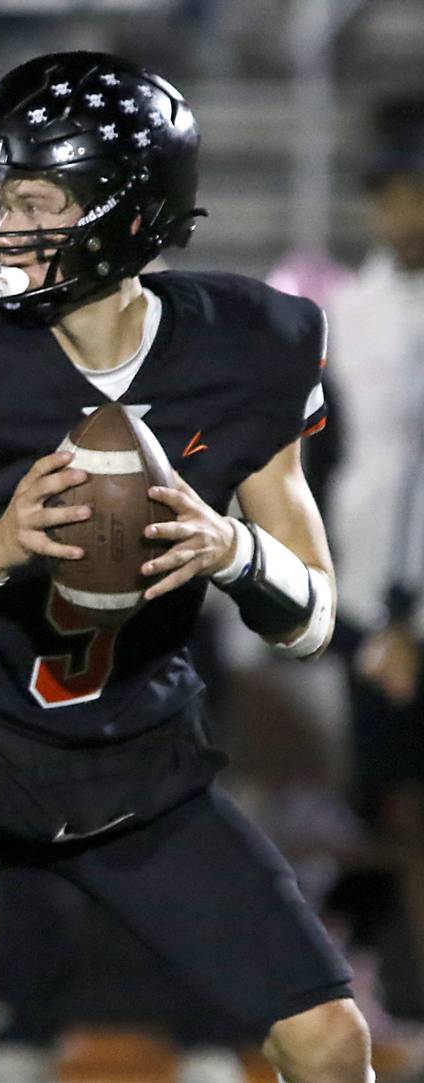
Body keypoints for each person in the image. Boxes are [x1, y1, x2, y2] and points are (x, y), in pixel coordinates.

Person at [0, 51, 370, 1081]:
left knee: (330, 1039)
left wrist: (231, 549)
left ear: (127, 212)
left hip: (140, 767)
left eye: (31, 200)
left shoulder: (253, 344)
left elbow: (310, 621)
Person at [325, 93, 424, 1012]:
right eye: (392, 196)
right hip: (363, 591)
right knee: (379, 797)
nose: (406, 215)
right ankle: (393, 976)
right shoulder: (349, 309)